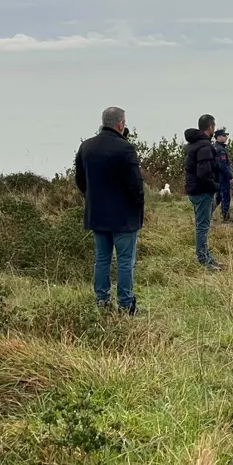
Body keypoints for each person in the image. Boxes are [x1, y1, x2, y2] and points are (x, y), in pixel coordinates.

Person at [75, 106, 145, 314]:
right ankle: (125, 305)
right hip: (124, 216)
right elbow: (135, 185)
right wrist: (138, 205)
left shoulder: (86, 146)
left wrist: (92, 198)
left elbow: (80, 180)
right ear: (121, 124)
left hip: (97, 213)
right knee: (125, 262)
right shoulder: (125, 148)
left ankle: (102, 301)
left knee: (102, 259)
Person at [184, 114, 222, 271]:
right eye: (214, 127)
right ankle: (203, 260)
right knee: (202, 226)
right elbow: (204, 173)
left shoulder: (193, 144)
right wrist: (215, 186)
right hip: (202, 192)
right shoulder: (205, 147)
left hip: (194, 190)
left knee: (202, 225)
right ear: (210, 127)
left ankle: (207, 256)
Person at [213, 129, 233, 223]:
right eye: (224, 135)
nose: (226, 137)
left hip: (217, 177)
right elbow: (223, 166)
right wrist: (230, 176)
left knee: (218, 197)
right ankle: (226, 218)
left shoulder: (215, 147)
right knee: (225, 196)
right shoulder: (220, 150)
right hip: (223, 177)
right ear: (219, 137)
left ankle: (208, 213)